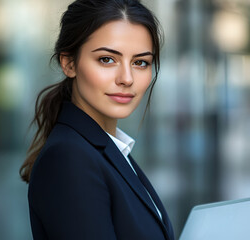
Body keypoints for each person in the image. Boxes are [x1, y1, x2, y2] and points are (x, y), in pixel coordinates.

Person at [19, 0, 174, 239]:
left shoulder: (107, 150)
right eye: (107, 59)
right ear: (69, 63)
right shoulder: (69, 158)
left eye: (140, 62)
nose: (127, 78)